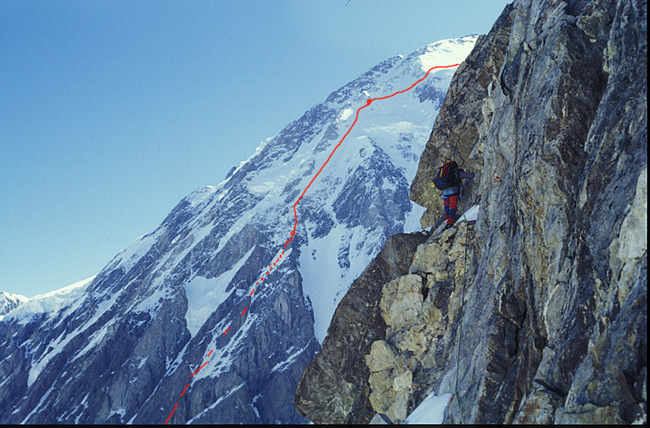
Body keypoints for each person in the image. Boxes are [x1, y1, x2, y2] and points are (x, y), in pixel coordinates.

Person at [430, 161, 474, 227]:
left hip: (444, 192)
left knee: (446, 206)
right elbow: (470, 175)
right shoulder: (456, 172)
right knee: (453, 206)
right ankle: (450, 222)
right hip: (453, 191)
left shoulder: (442, 173)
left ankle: (446, 219)